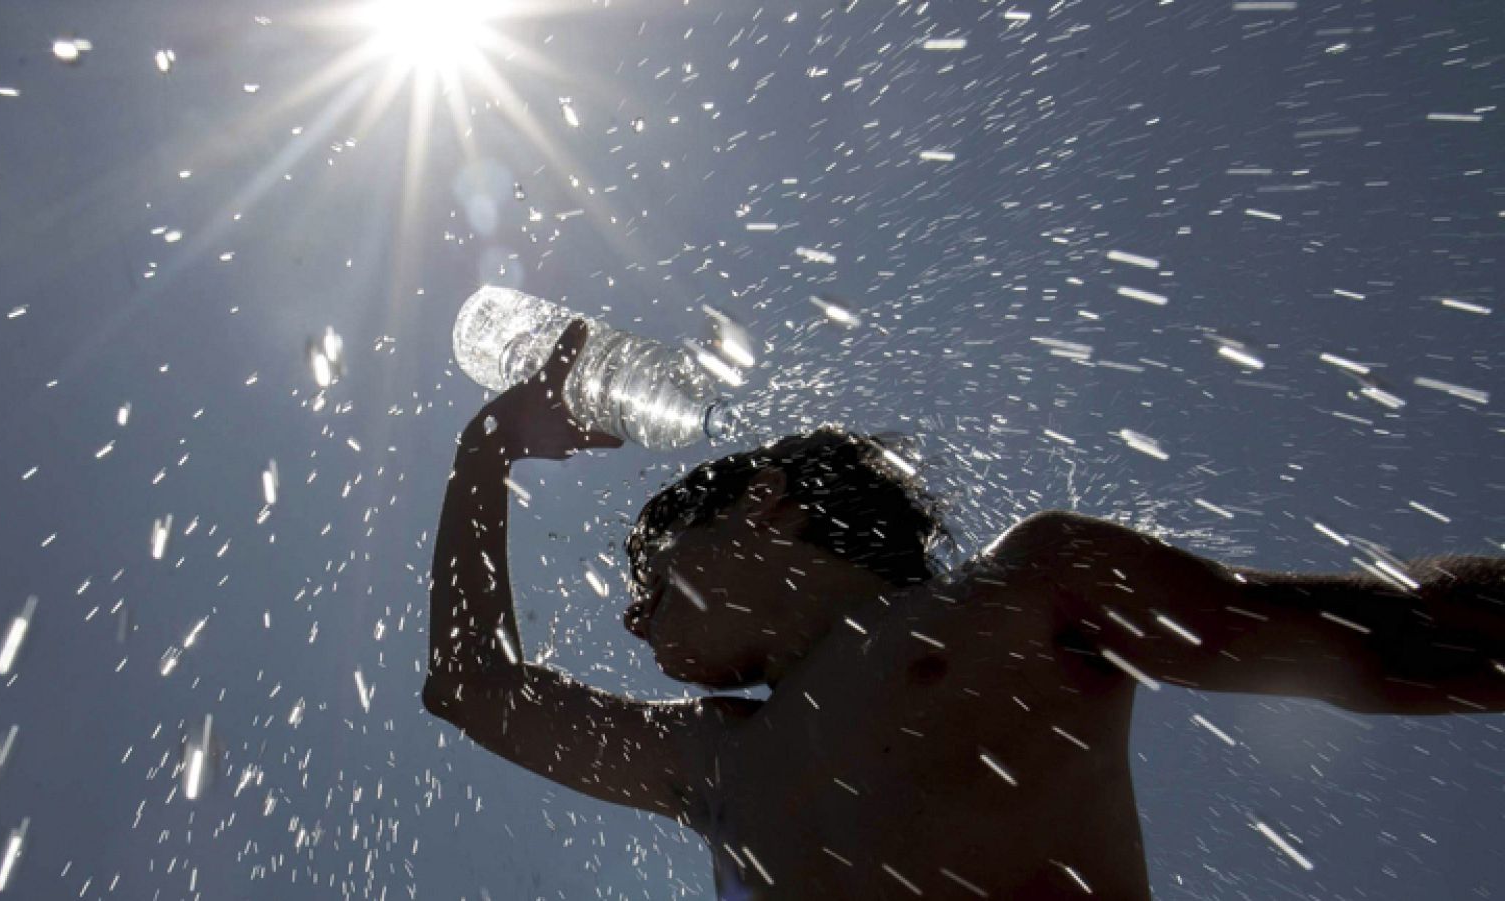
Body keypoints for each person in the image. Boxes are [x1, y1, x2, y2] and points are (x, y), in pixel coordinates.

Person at [421, 321, 1505, 899]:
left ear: (766, 502)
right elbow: (472, 684)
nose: (633, 623)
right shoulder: (714, 761)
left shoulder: (1023, 592)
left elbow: (1381, 636)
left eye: (651, 575)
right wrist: (485, 454)